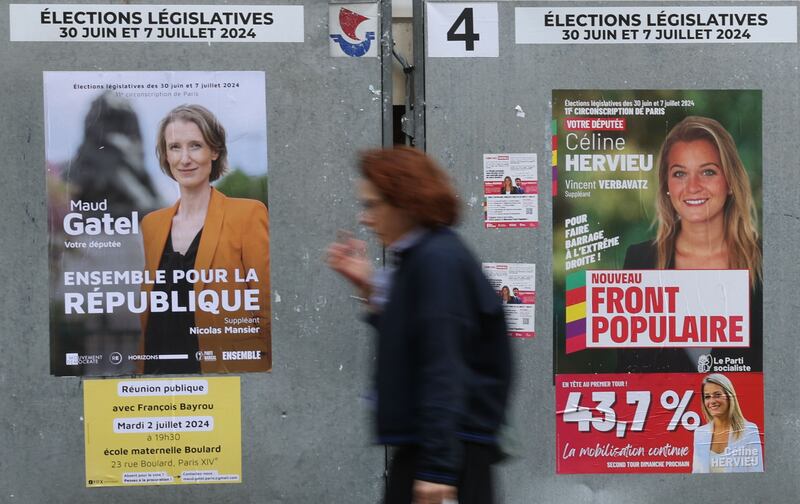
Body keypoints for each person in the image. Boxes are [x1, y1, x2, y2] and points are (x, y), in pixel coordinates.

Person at [327, 147, 512, 504]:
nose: (365, 219)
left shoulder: (437, 262)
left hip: (448, 456)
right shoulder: (424, 257)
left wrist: (437, 470)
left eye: (371, 205)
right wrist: (370, 288)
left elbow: (444, 367)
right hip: (435, 448)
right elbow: (414, 345)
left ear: (404, 202)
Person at [621, 116, 762, 372]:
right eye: (680, 174)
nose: (693, 187)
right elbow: (628, 375)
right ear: (667, 185)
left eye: (708, 171)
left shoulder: (766, 260)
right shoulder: (641, 260)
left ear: (730, 182)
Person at [139, 104, 270, 374]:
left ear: (215, 150)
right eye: (175, 147)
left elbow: (265, 305)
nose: (184, 158)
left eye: (195, 145)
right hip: (157, 371)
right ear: (165, 155)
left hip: (223, 374)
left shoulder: (247, 214)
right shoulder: (152, 225)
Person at [692, 373, 763, 473]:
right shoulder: (700, 433)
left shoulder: (749, 431)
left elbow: (757, 473)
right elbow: (696, 474)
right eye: (707, 397)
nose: (712, 401)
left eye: (717, 395)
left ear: (730, 396)